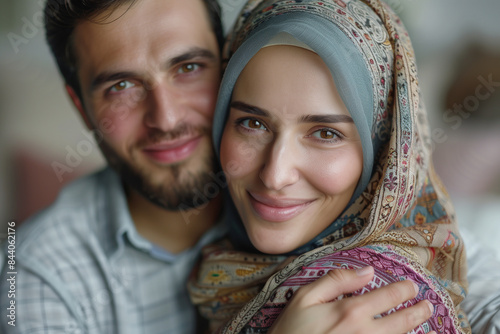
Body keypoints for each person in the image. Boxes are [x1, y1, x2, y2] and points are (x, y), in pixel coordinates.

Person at [0, 0, 436, 333]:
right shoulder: (37, 276)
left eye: (188, 67)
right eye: (122, 86)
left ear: (229, 64)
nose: (166, 119)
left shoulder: (353, 224)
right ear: (81, 107)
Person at [188, 0, 471, 333]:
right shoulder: (219, 258)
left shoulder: (379, 303)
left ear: (382, 152)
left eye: (325, 134)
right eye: (252, 123)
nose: (275, 176)